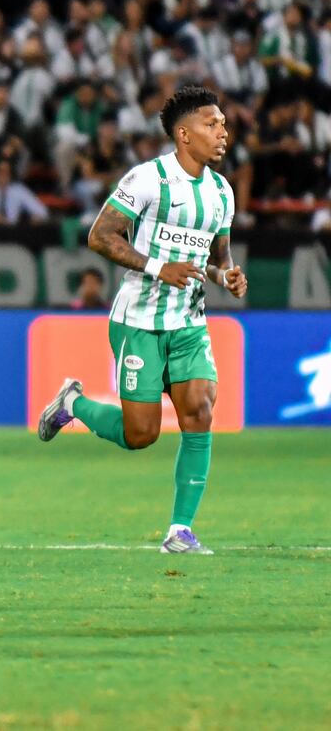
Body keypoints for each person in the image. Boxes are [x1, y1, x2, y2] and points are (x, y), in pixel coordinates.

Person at [38, 86, 248, 555]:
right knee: (142, 434)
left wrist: (225, 275)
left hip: (189, 321)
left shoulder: (221, 192)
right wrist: (158, 267)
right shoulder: (148, 179)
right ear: (183, 134)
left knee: (200, 411)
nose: (223, 133)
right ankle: (74, 403)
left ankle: (180, 530)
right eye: (212, 125)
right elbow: (100, 235)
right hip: (139, 319)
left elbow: (217, 255)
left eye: (224, 125)